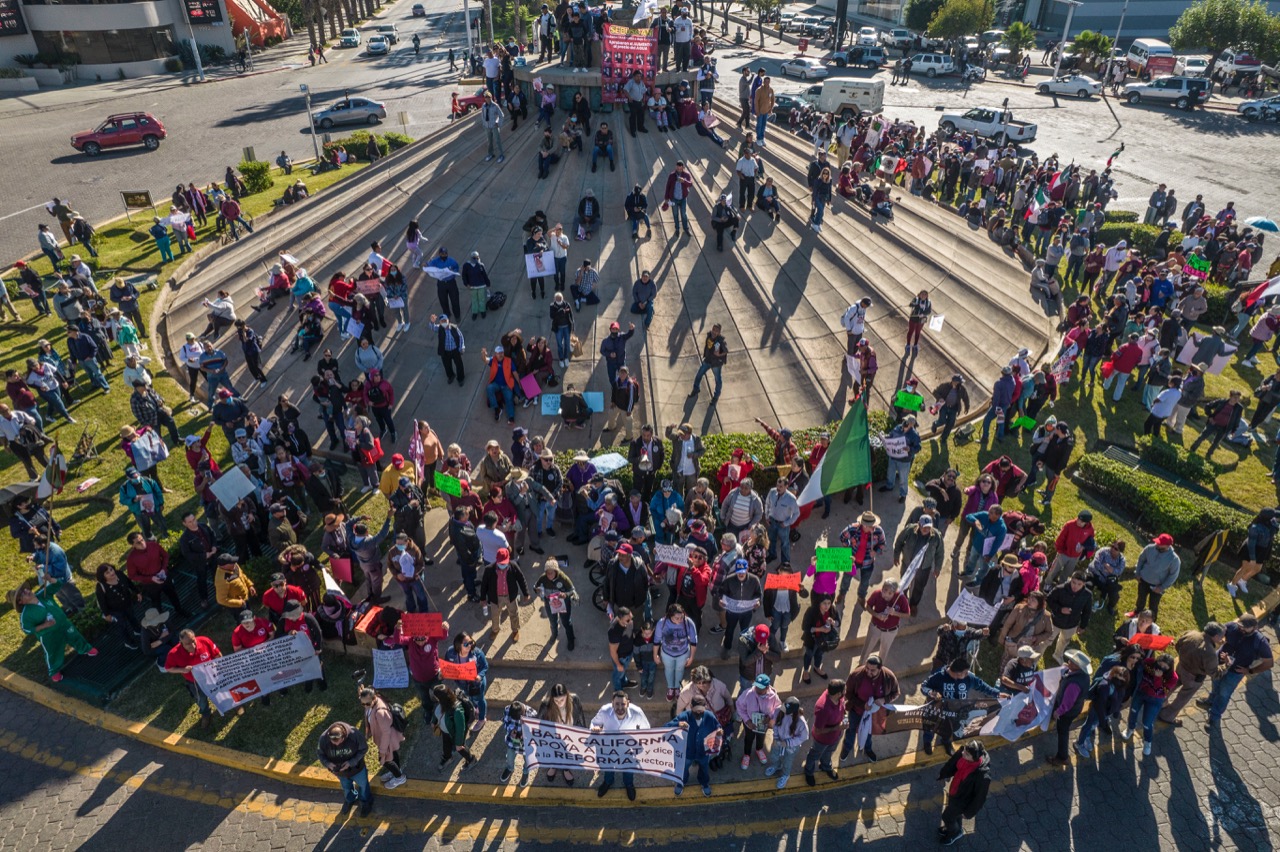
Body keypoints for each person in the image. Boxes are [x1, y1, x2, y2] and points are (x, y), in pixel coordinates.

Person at [1201, 614, 1273, 731]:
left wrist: (1250, 671)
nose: (1240, 628)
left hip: (1236, 672)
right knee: (1216, 683)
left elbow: (1269, 662)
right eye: (1240, 625)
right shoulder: (1232, 626)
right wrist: (1220, 642)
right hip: (1220, 664)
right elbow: (1220, 634)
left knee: (1224, 693)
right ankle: (1211, 700)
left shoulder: (1260, 642)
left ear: (1254, 627)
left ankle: (1214, 716)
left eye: (1245, 627)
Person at [920, 659, 1006, 756]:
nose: (967, 674)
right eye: (964, 673)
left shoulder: (969, 678)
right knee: (930, 726)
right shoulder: (939, 676)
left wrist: (997, 694)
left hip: (955, 712)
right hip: (937, 710)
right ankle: (927, 742)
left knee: (950, 729)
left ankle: (946, 742)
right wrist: (931, 692)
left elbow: (982, 686)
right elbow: (924, 686)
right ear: (957, 673)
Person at [13, 582, 96, 682]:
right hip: (49, 635)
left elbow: (57, 584)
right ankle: (54, 670)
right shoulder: (26, 615)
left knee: (75, 636)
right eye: (22, 594)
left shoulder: (43, 594)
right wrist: (44, 625)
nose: (27, 591)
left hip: (64, 624)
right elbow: (27, 629)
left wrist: (50, 579)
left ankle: (85, 648)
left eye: (25, 590)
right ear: (21, 602)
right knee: (53, 651)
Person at [591, 691, 651, 800]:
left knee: (628, 768)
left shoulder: (637, 712)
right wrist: (595, 728)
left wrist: (639, 743)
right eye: (617, 704)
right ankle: (608, 781)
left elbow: (646, 729)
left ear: (628, 703)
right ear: (612, 703)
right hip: (609, 748)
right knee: (608, 766)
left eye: (622, 704)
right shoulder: (604, 711)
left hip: (628, 749)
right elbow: (594, 723)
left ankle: (628, 784)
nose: (619, 707)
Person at [840, 655, 900, 764]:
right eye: (867, 668)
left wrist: (884, 699)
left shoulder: (888, 677)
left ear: (880, 668)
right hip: (856, 710)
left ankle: (868, 749)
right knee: (851, 730)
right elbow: (847, 693)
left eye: (872, 670)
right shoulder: (856, 675)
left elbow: (896, 693)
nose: (868, 672)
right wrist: (862, 705)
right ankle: (847, 748)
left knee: (869, 732)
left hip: (874, 714)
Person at [937, 740, 991, 846]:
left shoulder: (982, 776)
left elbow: (979, 798)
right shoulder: (964, 752)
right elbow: (952, 763)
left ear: (974, 758)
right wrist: (944, 773)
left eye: (966, 754)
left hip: (963, 801)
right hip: (955, 791)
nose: (962, 753)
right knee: (954, 815)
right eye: (964, 751)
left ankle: (955, 833)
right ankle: (954, 827)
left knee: (947, 817)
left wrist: (969, 813)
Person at [164, 629, 221, 727]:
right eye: (187, 643)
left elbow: (217, 654)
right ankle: (206, 714)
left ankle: (225, 705)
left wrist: (220, 666)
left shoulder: (204, 641)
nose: (192, 645)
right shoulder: (173, 654)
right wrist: (182, 670)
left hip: (212, 676)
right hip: (194, 682)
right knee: (201, 700)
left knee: (220, 693)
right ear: (180, 642)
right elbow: (169, 668)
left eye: (193, 641)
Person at [1045, 649, 1091, 767]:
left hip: (1067, 712)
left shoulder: (1074, 684)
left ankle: (1062, 757)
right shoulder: (1083, 676)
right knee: (1064, 730)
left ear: (1077, 666)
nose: (1069, 661)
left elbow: (1067, 703)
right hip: (1076, 709)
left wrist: (1058, 712)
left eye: (1072, 661)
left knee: (1063, 731)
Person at [319, 721, 374, 815]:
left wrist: (351, 762)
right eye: (333, 743)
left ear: (344, 736)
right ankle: (350, 799)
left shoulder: (354, 734)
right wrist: (328, 764)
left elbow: (363, 748)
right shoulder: (323, 739)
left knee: (363, 786)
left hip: (357, 769)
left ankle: (365, 801)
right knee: (346, 787)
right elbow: (320, 754)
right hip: (340, 773)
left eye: (339, 742)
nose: (337, 745)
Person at [804, 681, 847, 785]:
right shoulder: (823, 708)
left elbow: (842, 705)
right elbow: (818, 730)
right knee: (814, 755)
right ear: (838, 694)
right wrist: (837, 727)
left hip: (835, 735)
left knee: (829, 752)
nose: (846, 691)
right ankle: (808, 772)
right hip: (822, 740)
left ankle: (825, 766)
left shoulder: (839, 697)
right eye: (844, 690)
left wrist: (844, 714)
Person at [1132, 533, 1180, 619]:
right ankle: (1137, 612)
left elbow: (1173, 576)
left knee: (1153, 606)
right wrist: (1138, 573)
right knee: (1140, 599)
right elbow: (1141, 559)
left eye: (1160, 544)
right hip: (1143, 580)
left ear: (1167, 545)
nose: (1157, 544)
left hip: (1157, 587)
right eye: (1157, 542)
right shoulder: (1150, 548)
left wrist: (1162, 587)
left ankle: (1151, 622)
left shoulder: (1174, 559)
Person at [800, 595, 840, 683]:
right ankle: (806, 671)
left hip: (824, 639)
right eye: (824, 603)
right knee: (809, 655)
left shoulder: (832, 610)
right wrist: (821, 629)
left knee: (820, 654)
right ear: (819, 603)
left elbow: (838, 622)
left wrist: (833, 622)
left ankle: (817, 667)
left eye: (829, 603)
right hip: (812, 640)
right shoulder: (811, 611)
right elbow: (805, 627)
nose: (827, 606)